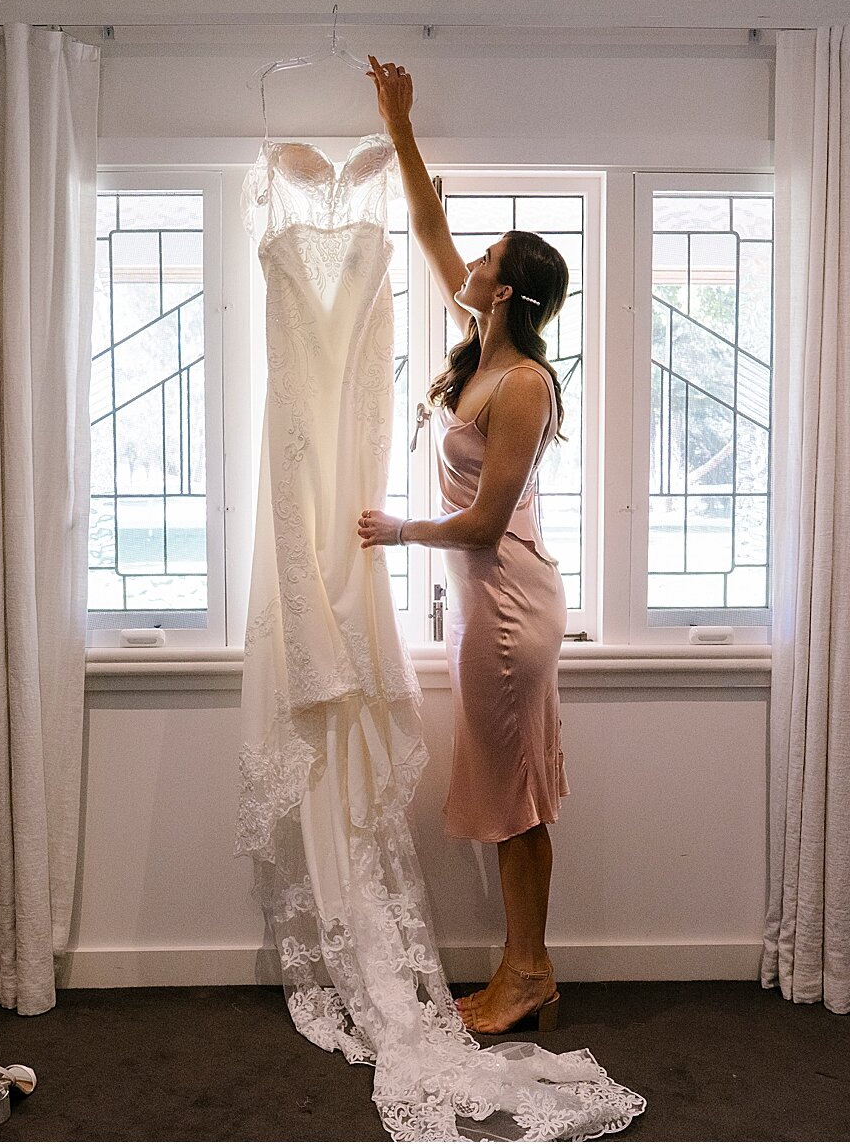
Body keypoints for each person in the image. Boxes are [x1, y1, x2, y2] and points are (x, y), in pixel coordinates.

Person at [356, 55, 574, 1036]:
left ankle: (527, 976)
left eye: (489, 259)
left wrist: (397, 530)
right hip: (489, 610)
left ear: (508, 292)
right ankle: (524, 969)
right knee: (517, 790)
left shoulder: (522, 383)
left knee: (520, 798)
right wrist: (401, 127)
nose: (471, 263)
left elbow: (486, 524)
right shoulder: (481, 350)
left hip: (509, 610)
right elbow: (431, 229)